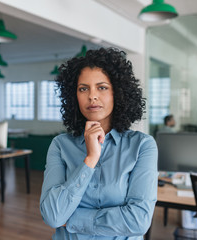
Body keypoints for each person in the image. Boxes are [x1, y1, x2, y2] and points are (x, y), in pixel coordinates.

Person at [40, 48, 158, 240]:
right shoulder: (60, 145)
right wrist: (90, 159)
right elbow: (52, 217)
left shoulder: (142, 146)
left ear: (118, 93)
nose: (92, 96)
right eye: (83, 88)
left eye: (102, 87)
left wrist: (72, 220)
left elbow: (138, 221)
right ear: (74, 96)